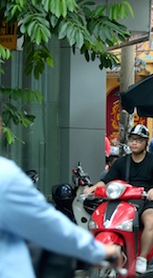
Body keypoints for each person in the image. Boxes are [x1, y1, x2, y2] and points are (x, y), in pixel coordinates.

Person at [0, 99, 121, 278]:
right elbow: (48, 226)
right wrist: (98, 250)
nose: (3, 128)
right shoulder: (5, 176)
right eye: (2, 123)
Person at [85, 124, 153, 274]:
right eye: (131, 139)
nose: (134, 143)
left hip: (146, 201)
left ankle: (142, 257)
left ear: (145, 142)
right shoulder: (122, 162)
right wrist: (93, 188)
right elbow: (106, 180)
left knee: (150, 220)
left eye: (138, 140)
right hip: (123, 201)